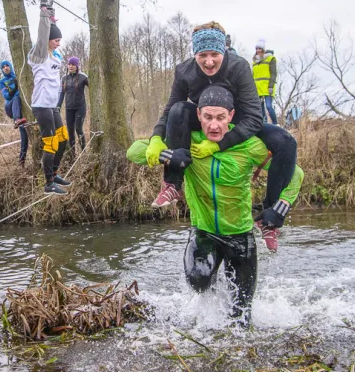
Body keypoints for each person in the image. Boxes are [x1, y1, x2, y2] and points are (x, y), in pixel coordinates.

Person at [128, 86, 304, 326]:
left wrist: (279, 208)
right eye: (208, 117)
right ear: (198, 115)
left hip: (241, 237)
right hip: (204, 232)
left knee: (242, 317)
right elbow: (133, 152)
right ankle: (210, 309)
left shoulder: (248, 145)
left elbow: (295, 174)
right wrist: (165, 155)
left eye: (220, 118)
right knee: (198, 281)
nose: (214, 125)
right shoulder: (186, 140)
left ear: (230, 117)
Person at [145, 22, 298, 230]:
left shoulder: (238, 66)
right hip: (204, 118)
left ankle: (269, 213)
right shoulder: (184, 71)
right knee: (178, 110)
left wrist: (219, 145)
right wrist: (155, 139)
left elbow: (254, 117)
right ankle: (173, 184)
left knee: (286, 141)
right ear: (195, 54)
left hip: (240, 119)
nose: (209, 62)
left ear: (223, 51)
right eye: (202, 56)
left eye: (214, 55)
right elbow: (170, 111)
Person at [28, 0, 71, 196]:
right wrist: (43, 11)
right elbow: (43, 32)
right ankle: (48, 183)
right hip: (41, 105)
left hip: (52, 105)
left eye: (59, 40)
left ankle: (54, 174)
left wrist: (51, 11)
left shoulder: (56, 55)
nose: (58, 43)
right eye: (56, 40)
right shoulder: (39, 54)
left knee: (63, 139)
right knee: (51, 142)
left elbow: (51, 25)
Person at [0, 60, 29, 166]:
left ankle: (21, 161)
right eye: (3, 67)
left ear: (11, 67)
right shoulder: (2, 82)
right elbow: (7, 96)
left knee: (25, 137)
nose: (6, 68)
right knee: (16, 98)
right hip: (10, 107)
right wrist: (15, 87)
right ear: (2, 69)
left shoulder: (17, 76)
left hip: (21, 110)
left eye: (7, 65)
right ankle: (17, 120)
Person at [57, 57, 88, 155]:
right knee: (70, 131)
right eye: (69, 64)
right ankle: (72, 154)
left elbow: (93, 88)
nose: (70, 66)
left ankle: (84, 151)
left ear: (77, 66)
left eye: (73, 65)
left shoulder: (83, 77)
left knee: (78, 128)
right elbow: (61, 93)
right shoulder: (64, 78)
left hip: (80, 107)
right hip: (69, 108)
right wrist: (58, 106)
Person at [252, 41, 278, 125]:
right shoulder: (254, 62)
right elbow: (253, 76)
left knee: (269, 106)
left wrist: (271, 86)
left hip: (267, 87)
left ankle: (275, 124)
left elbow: (273, 73)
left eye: (260, 48)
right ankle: (263, 124)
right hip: (257, 88)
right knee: (260, 108)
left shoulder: (270, 59)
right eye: (257, 49)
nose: (258, 50)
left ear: (263, 50)